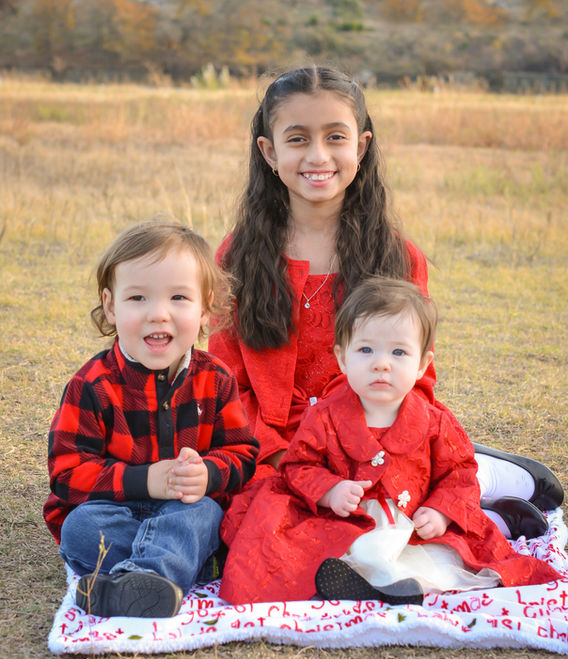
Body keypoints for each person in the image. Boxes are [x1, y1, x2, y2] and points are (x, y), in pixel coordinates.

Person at [208, 65, 563, 546]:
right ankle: (482, 488)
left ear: (361, 146)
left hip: (374, 435)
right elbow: (225, 385)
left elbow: (415, 375)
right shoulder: (236, 256)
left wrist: (376, 454)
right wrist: (280, 459)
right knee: (261, 528)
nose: (318, 155)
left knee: (391, 518)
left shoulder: (394, 256)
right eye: (297, 139)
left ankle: (480, 484)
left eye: (336, 136)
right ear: (269, 152)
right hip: (276, 450)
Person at [218, 276, 560, 604]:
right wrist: (328, 490)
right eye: (366, 350)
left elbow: (460, 473)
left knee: (442, 557)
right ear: (342, 358)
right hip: (347, 521)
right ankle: (361, 580)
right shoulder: (324, 417)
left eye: (398, 353)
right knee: (313, 545)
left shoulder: (434, 422)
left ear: (423, 364)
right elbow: (298, 465)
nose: (381, 364)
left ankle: (398, 584)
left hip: (413, 524)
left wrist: (440, 512)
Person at [44, 219, 259, 618]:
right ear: (111, 305)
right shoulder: (92, 384)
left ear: (205, 306)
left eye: (178, 298)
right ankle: (166, 572)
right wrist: (146, 480)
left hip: (184, 509)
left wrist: (208, 473)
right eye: (138, 298)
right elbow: (66, 473)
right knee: (80, 530)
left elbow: (243, 454)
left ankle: (137, 580)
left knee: (206, 516)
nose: (159, 315)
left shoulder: (215, 378)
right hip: (115, 511)